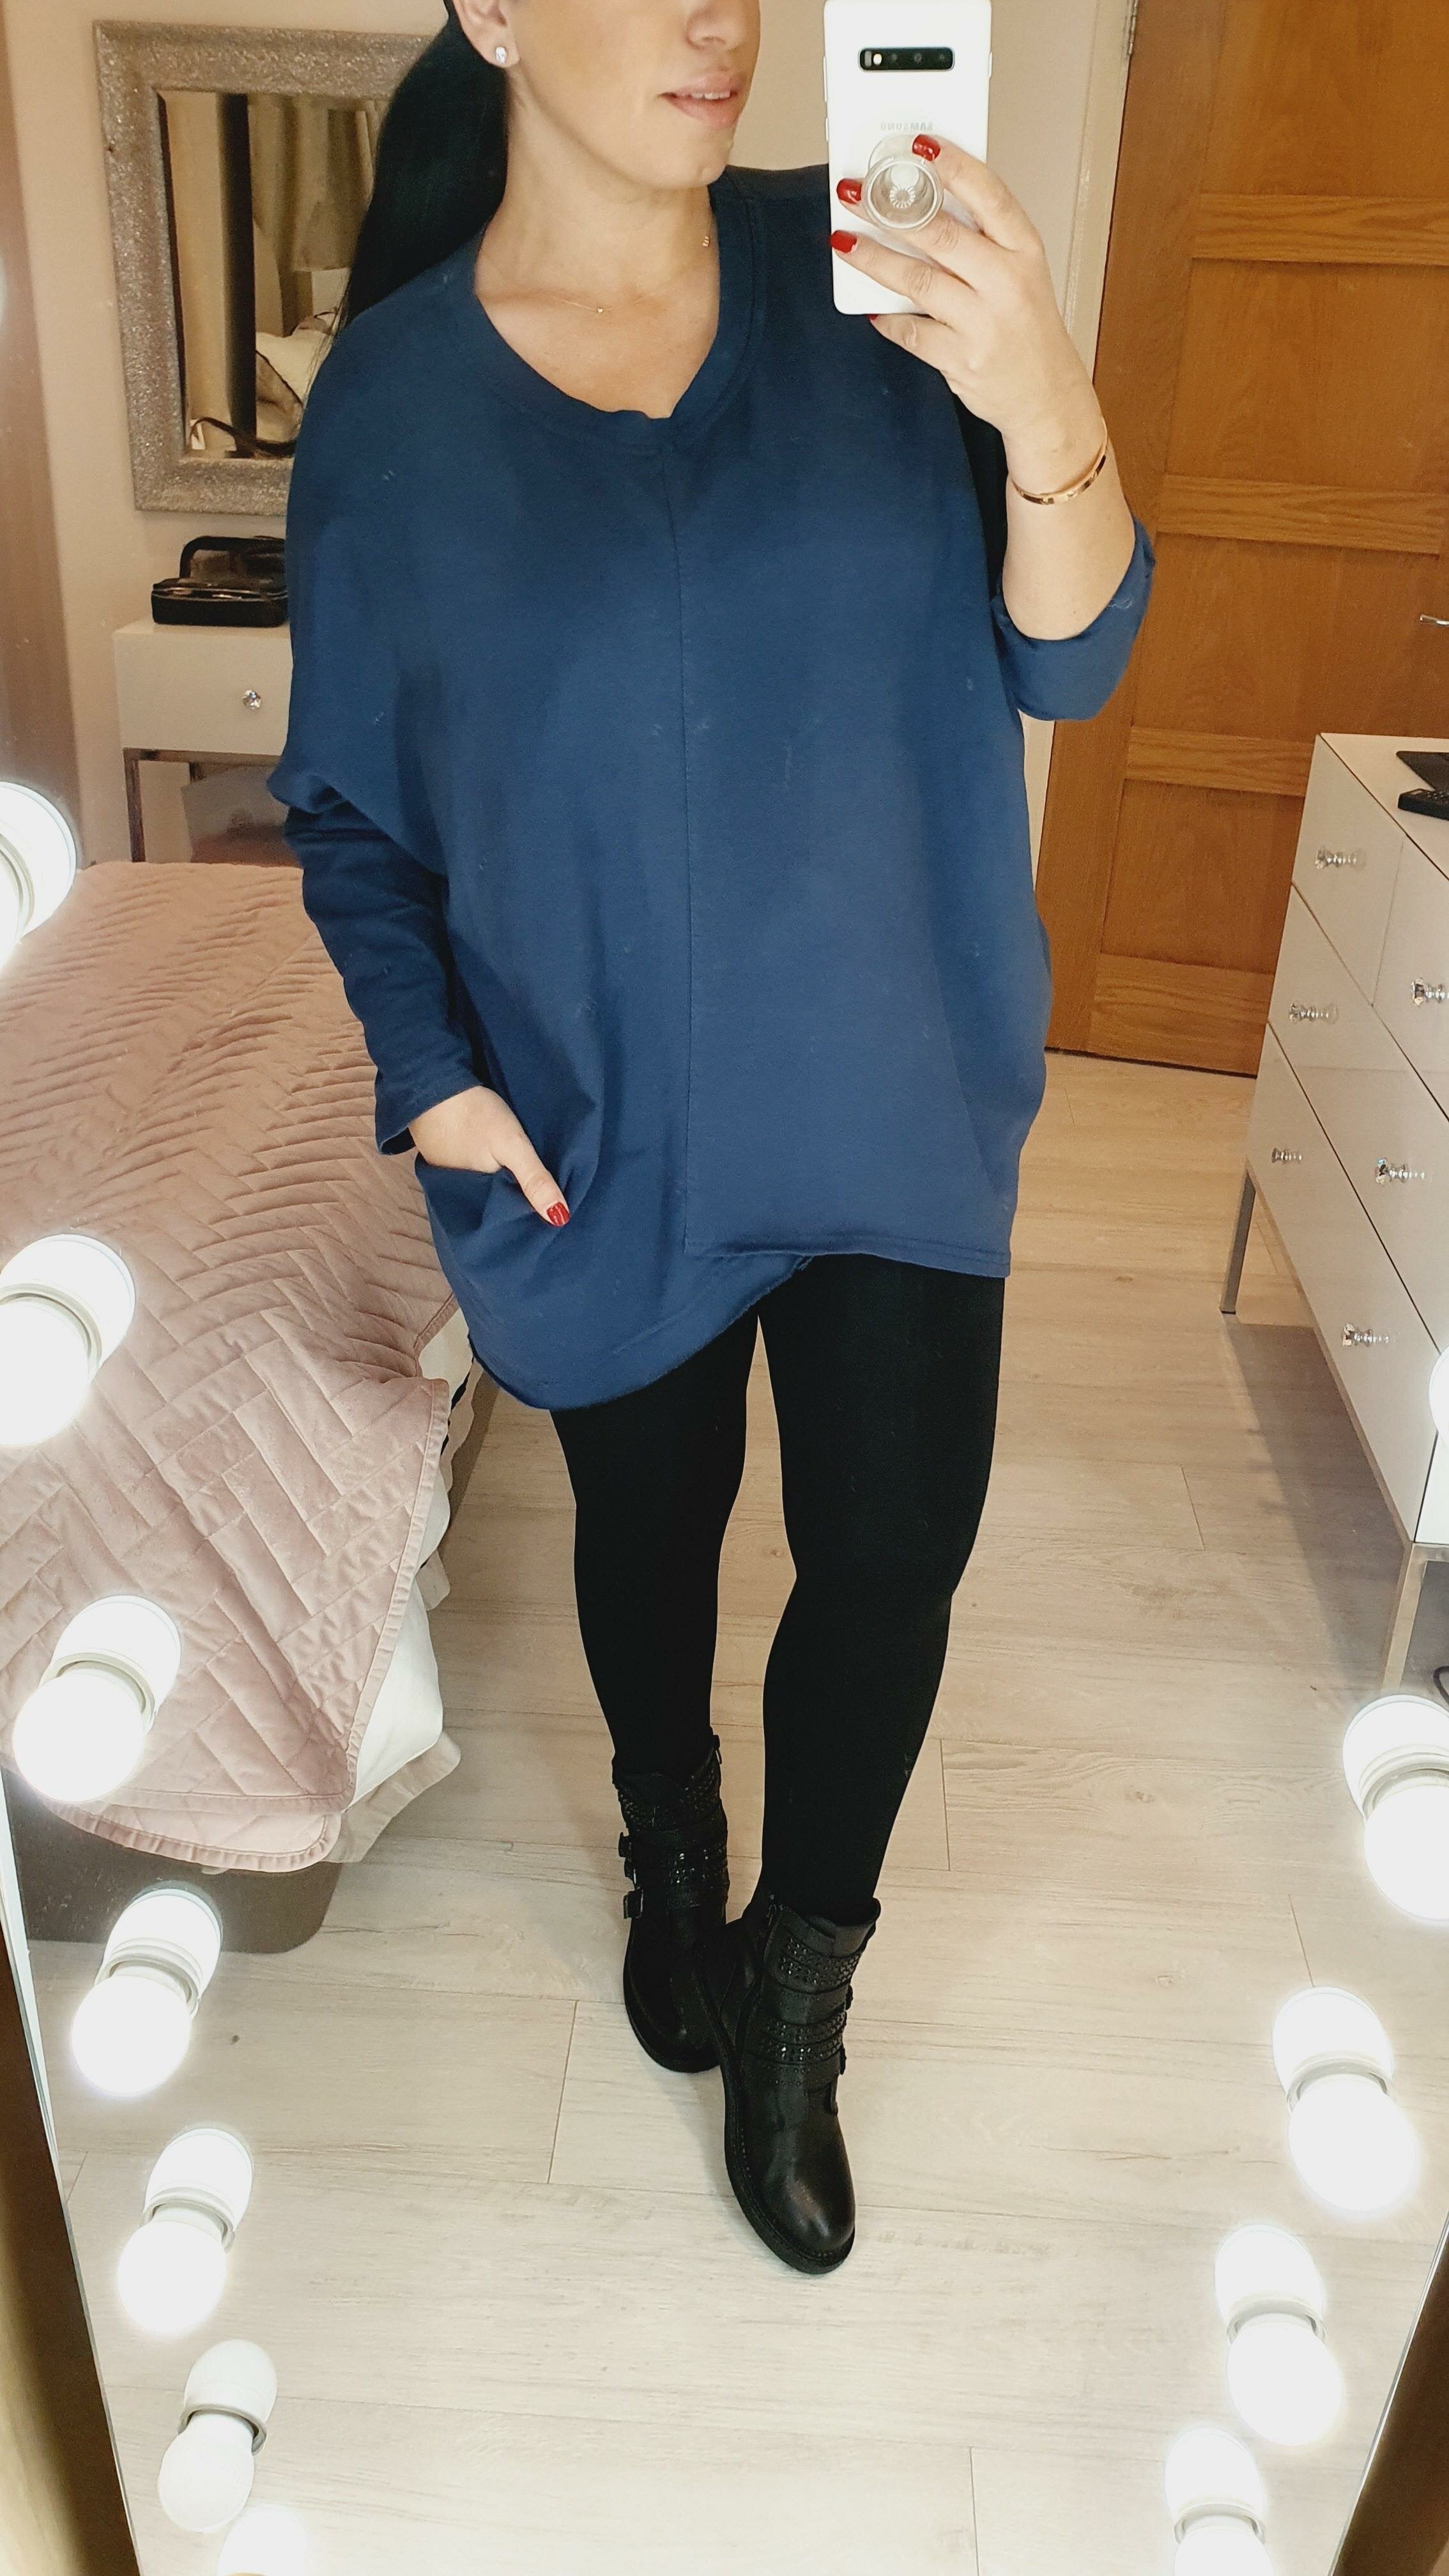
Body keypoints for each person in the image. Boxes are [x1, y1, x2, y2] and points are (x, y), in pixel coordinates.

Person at [268, 0, 1154, 2276]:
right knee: (645, 1537)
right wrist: (429, 1073)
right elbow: (351, 808)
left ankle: (795, 1993)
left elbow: (1070, 663)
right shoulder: (395, 410)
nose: (715, 17)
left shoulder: (875, 276)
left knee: (888, 1564)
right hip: (592, 1122)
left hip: (891, 1084)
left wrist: (1041, 390)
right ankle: (672, 1844)